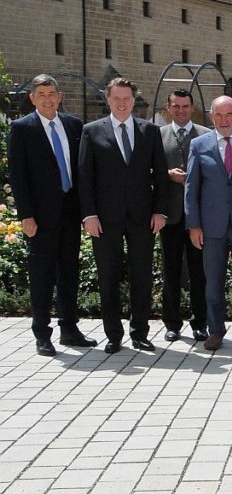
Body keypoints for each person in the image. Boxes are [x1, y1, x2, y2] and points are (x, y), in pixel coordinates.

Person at [7, 74, 97, 356]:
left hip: (71, 214)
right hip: (41, 217)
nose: (47, 99)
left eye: (51, 93)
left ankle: (69, 329)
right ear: (32, 98)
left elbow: (82, 171)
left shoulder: (73, 125)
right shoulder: (22, 128)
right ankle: (42, 334)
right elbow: (18, 176)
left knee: (69, 273)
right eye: (41, 94)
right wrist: (26, 216)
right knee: (42, 275)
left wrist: (86, 212)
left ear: (59, 96)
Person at [79, 77, 169, 354]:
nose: (121, 103)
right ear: (108, 100)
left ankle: (139, 332)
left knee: (141, 275)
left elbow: (161, 175)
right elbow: (84, 177)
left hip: (142, 217)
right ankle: (113, 335)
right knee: (109, 276)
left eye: (126, 99)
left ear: (134, 100)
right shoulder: (91, 131)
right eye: (116, 98)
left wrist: (160, 210)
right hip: (105, 219)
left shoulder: (150, 131)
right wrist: (89, 215)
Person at [184, 96, 232, 351]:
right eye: (218, 115)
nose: (224, 120)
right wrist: (194, 225)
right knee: (213, 282)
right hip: (211, 226)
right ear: (211, 116)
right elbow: (191, 188)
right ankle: (215, 331)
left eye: (228, 115)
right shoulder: (198, 144)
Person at [159, 89, 209, 342]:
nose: (181, 110)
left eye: (185, 106)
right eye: (176, 106)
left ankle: (200, 322)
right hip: (170, 216)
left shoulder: (206, 135)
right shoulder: (157, 136)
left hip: (198, 217)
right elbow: (150, 172)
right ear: (168, 107)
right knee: (171, 270)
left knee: (200, 272)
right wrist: (167, 174)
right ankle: (171, 323)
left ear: (192, 108)